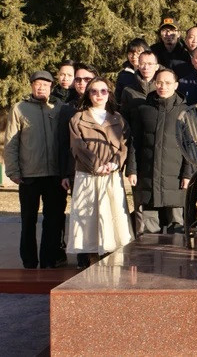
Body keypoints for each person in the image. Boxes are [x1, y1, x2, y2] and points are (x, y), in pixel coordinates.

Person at [4, 71, 67, 269]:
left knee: (54, 219)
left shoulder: (59, 108)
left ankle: (49, 259)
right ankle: (29, 261)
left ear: (51, 87)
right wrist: (13, 170)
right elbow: (11, 141)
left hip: (55, 174)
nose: (41, 88)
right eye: (37, 84)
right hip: (29, 174)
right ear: (31, 85)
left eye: (46, 85)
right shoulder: (19, 108)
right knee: (28, 219)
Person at [67, 77, 132, 264]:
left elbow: (124, 145)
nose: (99, 95)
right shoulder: (78, 118)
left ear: (109, 94)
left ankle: (113, 258)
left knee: (112, 216)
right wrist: (96, 165)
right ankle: (92, 259)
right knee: (88, 218)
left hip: (111, 175)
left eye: (103, 91)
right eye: (94, 91)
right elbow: (77, 146)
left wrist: (115, 163)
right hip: (88, 175)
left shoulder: (118, 118)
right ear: (88, 94)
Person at [127, 69, 191, 236]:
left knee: (176, 227)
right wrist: (132, 170)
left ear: (176, 85)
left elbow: (190, 146)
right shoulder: (143, 109)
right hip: (147, 176)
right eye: (159, 82)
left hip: (174, 178)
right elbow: (134, 143)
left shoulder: (185, 111)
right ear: (155, 83)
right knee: (148, 229)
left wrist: (187, 174)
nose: (163, 86)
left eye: (168, 83)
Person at [57, 63, 98, 267]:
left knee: (100, 212)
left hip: (102, 171)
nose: (82, 83)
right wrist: (65, 173)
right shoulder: (67, 109)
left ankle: (101, 254)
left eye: (87, 79)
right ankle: (83, 258)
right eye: (78, 79)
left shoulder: (107, 105)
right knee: (81, 213)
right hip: (76, 170)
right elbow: (63, 144)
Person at [119, 50, 160, 121]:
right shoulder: (128, 90)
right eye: (142, 63)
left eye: (150, 64)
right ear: (138, 66)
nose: (146, 67)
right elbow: (124, 118)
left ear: (157, 67)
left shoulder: (163, 89)